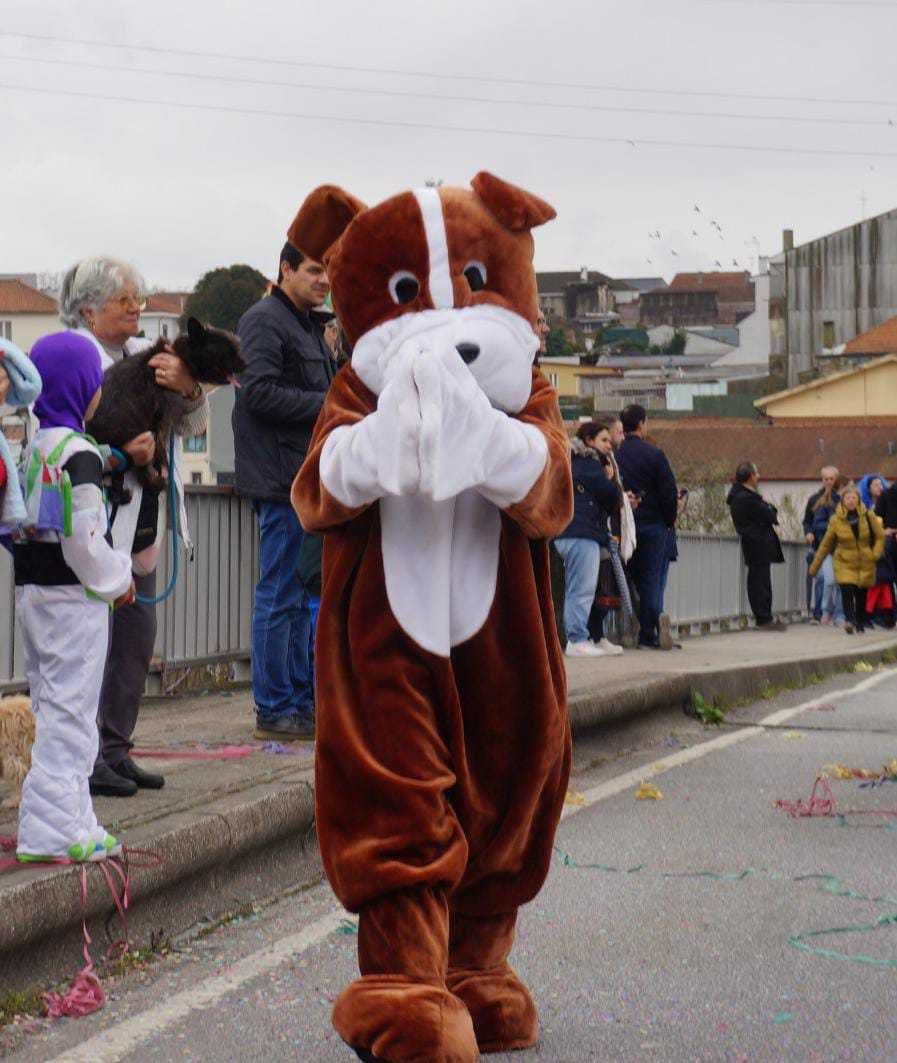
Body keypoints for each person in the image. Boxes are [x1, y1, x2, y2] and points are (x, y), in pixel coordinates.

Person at [61, 255, 209, 798]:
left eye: (138, 300)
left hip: (142, 522)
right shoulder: (70, 359)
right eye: (126, 301)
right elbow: (57, 437)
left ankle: (116, 749)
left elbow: (194, 424)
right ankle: (86, 757)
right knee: (89, 642)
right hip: (94, 521)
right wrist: (119, 454)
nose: (136, 310)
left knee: (135, 637)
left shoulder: (142, 358)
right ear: (89, 308)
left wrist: (189, 388)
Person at [12, 333, 134, 861]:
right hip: (74, 599)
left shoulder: (31, 448)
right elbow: (85, 537)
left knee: (50, 702)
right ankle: (50, 829)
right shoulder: (79, 454)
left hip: (32, 592)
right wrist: (118, 579)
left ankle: (74, 816)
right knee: (72, 711)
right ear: (84, 386)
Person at [232, 241, 334, 740]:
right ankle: (274, 707)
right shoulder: (265, 320)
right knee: (279, 593)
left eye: (328, 272)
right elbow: (259, 392)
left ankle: (296, 702)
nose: (324, 280)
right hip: (279, 480)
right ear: (286, 269)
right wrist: (329, 405)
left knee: (295, 595)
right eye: (315, 269)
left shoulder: (304, 324)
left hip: (300, 478)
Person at [554, 421, 623, 657]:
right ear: (589, 441)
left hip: (567, 530)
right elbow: (612, 496)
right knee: (582, 589)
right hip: (581, 533)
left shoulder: (570, 461)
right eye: (604, 440)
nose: (609, 445)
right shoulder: (589, 465)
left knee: (580, 587)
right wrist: (611, 478)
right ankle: (577, 639)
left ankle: (589, 636)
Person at [616, 403, 679, 649]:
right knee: (651, 579)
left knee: (627, 578)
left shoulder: (616, 456)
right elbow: (668, 492)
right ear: (642, 423)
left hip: (624, 525)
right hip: (653, 525)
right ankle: (649, 632)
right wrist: (669, 519)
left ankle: (629, 628)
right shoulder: (655, 455)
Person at [809, 482, 885, 635]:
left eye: (854, 497)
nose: (851, 500)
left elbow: (879, 537)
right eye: (848, 498)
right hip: (843, 560)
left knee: (861, 593)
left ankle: (860, 621)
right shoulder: (836, 520)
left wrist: (875, 554)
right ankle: (849, 620)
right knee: (847, 589)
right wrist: (814, 567)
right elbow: (825, 544)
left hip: (864, 560)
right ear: (843, 500)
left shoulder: (868, 516)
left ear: (858, 500)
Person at [726, 462, 787, 632]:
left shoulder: (743, 496)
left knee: (761, 580)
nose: (758, 476)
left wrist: (768, 509)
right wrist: (768, 509)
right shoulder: (746, 498)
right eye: (756, 473)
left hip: (757, 543)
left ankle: (764, 616)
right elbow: (770, 514)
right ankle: (763, 618)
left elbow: (769, 512)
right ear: (750, 476)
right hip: (757, 543)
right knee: (759, 581)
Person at [803, 466, 843, 626]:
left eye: (831, 479)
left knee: (835, 581)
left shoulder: (841, 500)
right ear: (822, 480)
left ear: (836, 480)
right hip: (819, 544)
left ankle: (833, 612)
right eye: (825, 479)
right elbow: (807, 520)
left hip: (837, 546)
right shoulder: (814, 499)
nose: (828, 482)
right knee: (821, 579)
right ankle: (818, 613)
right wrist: (808, 532)